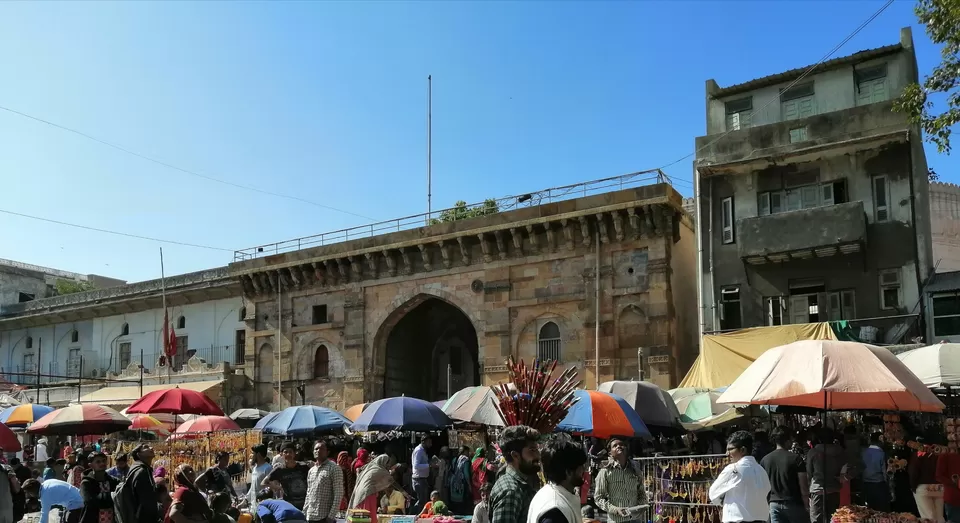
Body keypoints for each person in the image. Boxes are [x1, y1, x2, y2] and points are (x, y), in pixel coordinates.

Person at [709, 430, 771, 523]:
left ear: (742, 450)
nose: (727, 453)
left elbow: (713, 494)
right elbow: (767, 490)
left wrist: (724, 502)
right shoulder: (761, 470)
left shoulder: (733, 469)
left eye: (730, 449)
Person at [526, 434, 586, 523]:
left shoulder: (559, 494)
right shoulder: (555, 510)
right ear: (568, 472)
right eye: (581, 467)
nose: (583, 470)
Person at [490, 425, 541, 523]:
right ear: (515, 455)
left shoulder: (522, 484)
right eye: (532, 450)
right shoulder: (510, 491)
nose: (538, 455)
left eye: (537, 449)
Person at [761, 427, 809, 523]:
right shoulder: (796, 459)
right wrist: (806, 504)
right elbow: (803, 485)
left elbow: (763, 486)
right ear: (787, 441)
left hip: (773, 504)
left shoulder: (765, 460)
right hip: (794, 504)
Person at [594, 438, 646, 523]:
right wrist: (615, 510)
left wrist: (641, 506)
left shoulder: (635, 470)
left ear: (626, 449)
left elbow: (641, 492)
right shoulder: (605, 471)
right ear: (610, 453)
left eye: (622, 445)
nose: (619, 446)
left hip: (635, 519)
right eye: (615, 446)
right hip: (616, 520)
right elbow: (598, 498)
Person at [806, 429, 846, 523]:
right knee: (833, 519)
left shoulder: (813, 452)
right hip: (834, 489)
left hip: (818, 490)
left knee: (817, 519)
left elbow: (809, 473)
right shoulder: (840, 451)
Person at [303, 440, 344, 523]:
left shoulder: (334, 468)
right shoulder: (311, 470)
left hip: (325, 517)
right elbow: (309, 493)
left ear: (327, 452)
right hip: (310, 515)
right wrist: (304, 512)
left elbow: (338, 494)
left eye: (321, 449)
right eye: (316, 449)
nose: (318, 451)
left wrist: (331, 516)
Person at [265, 443, 311, 511]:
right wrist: (278, 487)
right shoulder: (279, 469)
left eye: (290, 452)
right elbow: (264, 482)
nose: (288, 454)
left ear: (294, 453)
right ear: (281, 454)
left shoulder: (303, 467)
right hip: (288, 506)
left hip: (305, 506)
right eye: (285, 452)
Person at [125, 443, 160, 523]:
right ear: (139, 454)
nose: (151, 448)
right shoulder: (142, 471)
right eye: (146, 447)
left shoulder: (138, 468)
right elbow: (147, 501)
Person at [80, 452, 119, 523]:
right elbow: (90, 501)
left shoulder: (113, 481)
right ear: (91, 465)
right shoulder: (86, 483)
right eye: (98, 462)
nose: (102, 463)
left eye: (104, 461)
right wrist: (112, 496)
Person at [911, 438, 943, 523]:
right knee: (939, 516)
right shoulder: (939, 453)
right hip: (939, 487)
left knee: (928, 517)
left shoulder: (919, 454)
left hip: (923, 487)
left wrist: (913, 487)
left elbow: (913, 471)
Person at [861, 433, 889, 511]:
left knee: (870, 508)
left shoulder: (863, 452)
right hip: (878, 483)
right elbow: (884, 471)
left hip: (866, 483)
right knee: (881, 508)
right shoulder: (881, 453)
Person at [411, 436, 433, 515]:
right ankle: (414, 515)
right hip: (418, 479)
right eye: (429, 442)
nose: (430, 444)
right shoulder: (419, 450)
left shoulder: (423, 450)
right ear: (423, 441)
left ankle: (417, 515)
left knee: (422, 501)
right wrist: (429, 465)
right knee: (421, 501)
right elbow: (416, 465)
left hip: (422, 479)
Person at [449, 446, 472, 515]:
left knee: (455, 502)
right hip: (461, 483)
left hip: (453, 482)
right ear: (465, 451)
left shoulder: (455, 459)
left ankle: (455, 515)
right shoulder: (466, 460)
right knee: (462, 503)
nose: (468, 453)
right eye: (468, 451)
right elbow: (466, 474)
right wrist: (469, 485)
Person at [249, 445, 273, 509]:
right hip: (253, 506)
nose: (251, 456)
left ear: (258, 454)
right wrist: (245, 500)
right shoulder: (254, 468)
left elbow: (270, 488)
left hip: (264, 506)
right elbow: (252, 487)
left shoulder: (268, 468)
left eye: (253, 453)